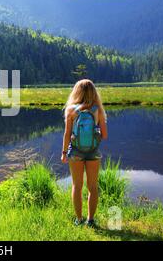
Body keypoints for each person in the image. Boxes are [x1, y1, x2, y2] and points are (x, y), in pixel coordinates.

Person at [61, 79, 108, 228]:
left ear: (77, 91)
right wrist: (94, 135)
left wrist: (63, 152)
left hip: (75, 152)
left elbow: (67, 134)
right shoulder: (97, 110)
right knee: (93, 187)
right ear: (94, 92)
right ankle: (91, 220)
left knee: (77, 185)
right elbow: (105, 135)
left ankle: (79, 219)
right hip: (93, 152)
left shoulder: (70, 110)